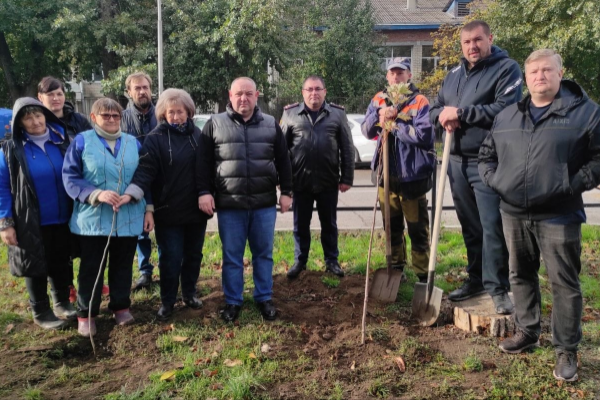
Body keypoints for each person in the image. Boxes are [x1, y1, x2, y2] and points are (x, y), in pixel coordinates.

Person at [478, 49, 600, 381]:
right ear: (526, 77)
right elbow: (486, 155)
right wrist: (496, 181)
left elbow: (597, 158)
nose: (539, 77)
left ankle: (565, 350)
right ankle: (528, 331)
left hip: (559, 215)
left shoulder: (585, 114)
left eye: (547, 70)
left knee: (564, 283)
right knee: (519, 275)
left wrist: (571, 184)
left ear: (560, 74)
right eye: (533, 72)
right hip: (513, 212)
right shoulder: (508, 115)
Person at [429, 20, 523, 314]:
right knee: (470, 226)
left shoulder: (507, 69)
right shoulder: (453, 75)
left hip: (488, 162)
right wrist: (442, 115)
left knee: (491, 226)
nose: (473, 46)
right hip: (456, 161)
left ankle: (498, 287)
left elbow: (505, 110)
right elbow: (436, 108)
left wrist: (461, 112)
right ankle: (476, 279)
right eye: (467, 42)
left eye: (478, 40)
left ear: (490, 39)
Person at [197, 77, 293, 322]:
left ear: (256, 95)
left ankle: (264, 297)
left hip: (263, 205)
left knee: (264, 254)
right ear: (230, 95)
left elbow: (284, 160)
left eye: (248, 94)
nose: (243, 98)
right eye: (239, 94)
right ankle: (233, 301)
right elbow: (203, 164)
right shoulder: (214, 124)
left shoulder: (271, 124)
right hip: (230, 206)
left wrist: (287, 192)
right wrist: (204, 192)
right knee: (232, 256)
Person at [121, 88, 209, 320]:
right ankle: (167, 301)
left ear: (188, 112)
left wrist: (207, 193)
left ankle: (189, 293)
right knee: (170, 258)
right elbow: (145, 172)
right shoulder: (155, 138)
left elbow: (205, 170)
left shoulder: (198, 136)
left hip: (195, 211)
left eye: (180, 112)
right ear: (163, 113)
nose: (176, 117)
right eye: (171, 112)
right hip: (167, 212)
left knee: (193, 255)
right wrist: (132, 194)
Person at [63, 98, 147, 337]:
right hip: (93, 220)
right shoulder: (81, 142)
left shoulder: (133, 143)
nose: (111, 120)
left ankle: (121, 306)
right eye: (105, 116)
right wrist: (96, 194)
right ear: (93, 118)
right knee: (92, 268)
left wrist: (145, 205)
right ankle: (86, 314)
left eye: (115, 116)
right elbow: (70, 177)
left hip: (127, 216)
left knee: (122, 265)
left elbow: (146, 174)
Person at [0, 98, 75, 330]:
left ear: (46, 116)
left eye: (38, 115)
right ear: (19, 123)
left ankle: (62, 301)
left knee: (61, 259)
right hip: (29, 218)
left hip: (63, 215)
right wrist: (5, 222)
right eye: (28, 117)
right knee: (35, 263)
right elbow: (1, 187)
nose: (35, 121)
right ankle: (40, 310)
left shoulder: (62, 142)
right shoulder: (10, 150)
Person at [361, 58, 435, 283]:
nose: (396, 77)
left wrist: (394, 124)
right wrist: (379, 115)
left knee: (417, 228)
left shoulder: (420, 101)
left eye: (400, 73)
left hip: (412, 177)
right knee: (391, 226)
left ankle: (423, 275)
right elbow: (367, 131)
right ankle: (396, 268)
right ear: (387, 76)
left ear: (409, 76)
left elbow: (424, 136)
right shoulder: (378, 99)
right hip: (386, 176)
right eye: (392, 73)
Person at [281, 75, 354, 279]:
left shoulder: (337, 115)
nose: (314, 93)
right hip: (300, 182)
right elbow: (281, 151)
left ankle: (332, 261)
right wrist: (284, 182)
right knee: (300, 225)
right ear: (303, 92)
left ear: (325, 91)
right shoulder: (290, 114)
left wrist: (347, 177)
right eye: (309, 89)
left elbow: (347, 148)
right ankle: (300, 261)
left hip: (328, 181)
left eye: (318, 89)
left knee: (329, 225)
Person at [37, 76, 97, 302]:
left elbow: (93, 143)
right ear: (40, 98)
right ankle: (66, 288)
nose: (55, 98)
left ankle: (89, 282)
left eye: (59, 93)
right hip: (56, 191)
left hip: (82, 188)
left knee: (84, 240)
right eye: (50, 94)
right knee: (61, 246)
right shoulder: (38, 122)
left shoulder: (78, 120)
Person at [120, 72, 159, 290]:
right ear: (129, 92)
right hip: (135, 181)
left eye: (145, 87)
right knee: (140, 230)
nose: (142, 91)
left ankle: (169, 267)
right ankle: (145, 271)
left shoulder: (161, 115)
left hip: (162, 180)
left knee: (163, 228)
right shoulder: (122, 118)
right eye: (137, 88)